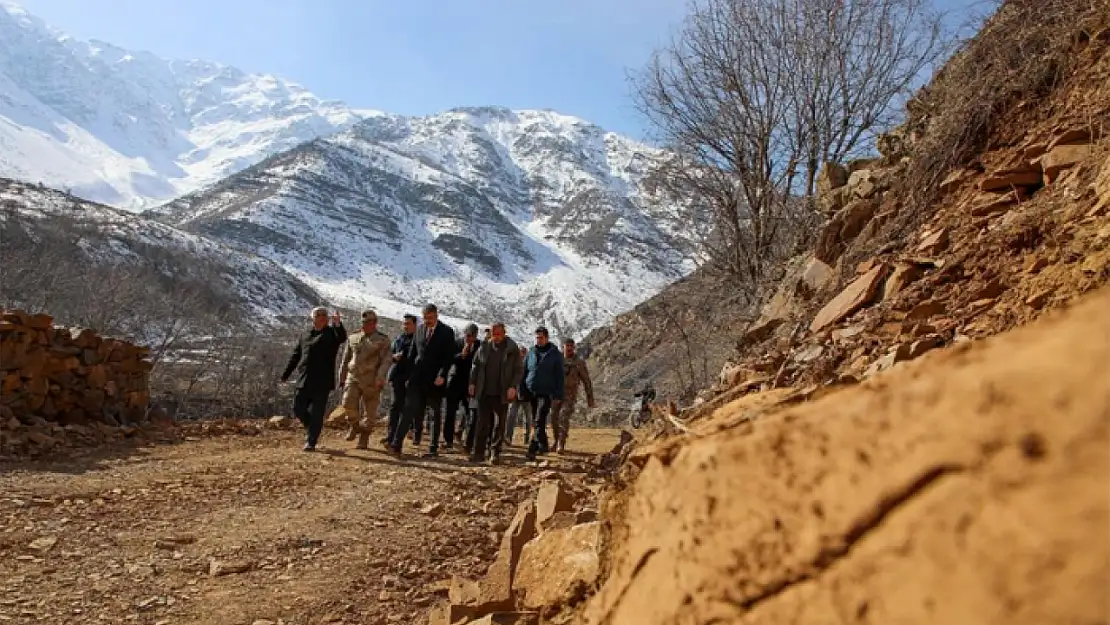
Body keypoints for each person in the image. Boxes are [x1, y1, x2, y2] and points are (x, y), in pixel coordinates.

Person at [387, 304, 455, 458]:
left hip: (435, 379)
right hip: (417, 377)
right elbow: (412, 353)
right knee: (408, 410)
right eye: (425, 318)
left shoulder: (446, 332)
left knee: (434, 414)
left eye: (430, 318)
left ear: (436, 315)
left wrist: (442, 375)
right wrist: (406, 375)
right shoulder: (420, 330)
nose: (428, 321)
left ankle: (432, 448)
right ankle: (396, 444)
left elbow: (448, 357)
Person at [281, 307, 347, 451]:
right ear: (313, 318)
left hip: (322, 381)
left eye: (324, 315)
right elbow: (296, 355)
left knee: (317, 412)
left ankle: (311, 441)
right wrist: (285, 374)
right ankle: (312, 427)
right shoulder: (305, 334)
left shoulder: (331, 333)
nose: (322, 317)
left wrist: (337, 324)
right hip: (304, 379)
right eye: (319, 315)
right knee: (298, 408)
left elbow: (342, 338)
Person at [336, 310, 392, 449]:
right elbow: (346, 358)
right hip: (353, 377)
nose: (367, 324)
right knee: (348, 403)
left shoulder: (382, 340)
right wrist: (342, 376)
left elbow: (386, 360)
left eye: (370, 322)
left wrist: (381, 377)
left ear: (375, 323)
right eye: (364, 322)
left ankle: (364, 436)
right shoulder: (353, 337)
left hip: (372, 379)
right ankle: (355, 426)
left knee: (370, 410)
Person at [468, 323, 522, 464]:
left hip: (502, 392)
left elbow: (518, 370)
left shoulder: (511, 348)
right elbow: (475, 364)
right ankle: (478, 453)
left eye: (499, 333)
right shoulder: (485, 347)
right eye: (494, 333)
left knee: (500, 424)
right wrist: (472, 383)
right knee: (482, 423)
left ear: (504, 333)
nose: (496, 336)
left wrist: (513, 386)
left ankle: (495, 453)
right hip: (484, 391)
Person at [522, 326, 564, 461]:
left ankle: (532, 449)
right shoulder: (531, 352)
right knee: (536, 421)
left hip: (546, 392)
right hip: (531, 391)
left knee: (539, 420)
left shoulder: (555, 354)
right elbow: (524, 371)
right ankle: (543, 445)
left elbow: (559, 376)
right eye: (537, 337)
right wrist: (521, 389)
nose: (538, 340)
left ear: (546, 338)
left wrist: (558, 394)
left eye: (541, 338)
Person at [550, 337, 595, 453]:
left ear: (574, 347)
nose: (569, 348)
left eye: (571, 346)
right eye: (567, 346)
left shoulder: (578, 363)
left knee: (563, 416)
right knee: (553, 417)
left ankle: (561, 443)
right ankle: (556, 441)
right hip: (556, 394)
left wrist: (590, 398)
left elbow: (586, 381)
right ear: (563, 347)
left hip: (570, 395)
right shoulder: (556, 360)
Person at [447, 323, 481, 451]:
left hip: (470, 385)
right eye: (467, 335)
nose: (469, 338)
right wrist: (461, 355)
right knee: (451, 413)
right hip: (455, 382)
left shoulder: (480, 346)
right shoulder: (457, 343)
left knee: (471, 415)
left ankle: (468, 443)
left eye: (472, 336)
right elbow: (450, 359)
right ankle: (448, 440)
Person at [385, 314, 417, 444]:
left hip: (410, 378)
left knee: (407, 409)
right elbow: (389, 354)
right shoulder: (399, 339)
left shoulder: (418, 340)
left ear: (415, 325)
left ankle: (400, 438)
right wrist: (394, 357)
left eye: (408, 324)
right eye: (404, 324)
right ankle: (390, 436)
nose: (405, 326)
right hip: (397, 376)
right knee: (395, 407)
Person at [505, 346, 532, 445]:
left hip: (526, 395)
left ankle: (527, 438)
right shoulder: (514, 365)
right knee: (511, 416)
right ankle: (508, 437)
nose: (522, 355)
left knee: (528, 418)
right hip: (515, 395)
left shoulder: (530, 365)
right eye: (521, 353)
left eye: (524, 352)